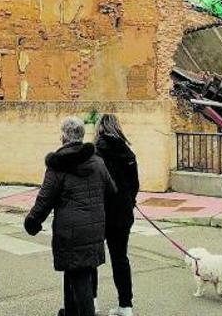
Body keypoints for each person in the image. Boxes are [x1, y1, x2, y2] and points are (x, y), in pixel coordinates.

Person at [25, 117, 116, 316]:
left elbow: (45, 199)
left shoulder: (58, 166)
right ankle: (70, 312)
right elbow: (111, 191)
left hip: (71, 232)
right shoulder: (97, 162)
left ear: (63, 136)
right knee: (75, 271)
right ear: (81, 136)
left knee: (80, 276)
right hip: (94, 228)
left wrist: (32, 221)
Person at [94, 114, 139, 316]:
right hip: (123, 213)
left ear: (100, 129)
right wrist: (130, 202)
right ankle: (125, 305)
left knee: (92, 257)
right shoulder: (128, 153)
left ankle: (91, 301)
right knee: (120, 259)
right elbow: (134, 185)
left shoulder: (96, 152)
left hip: (100, 212)